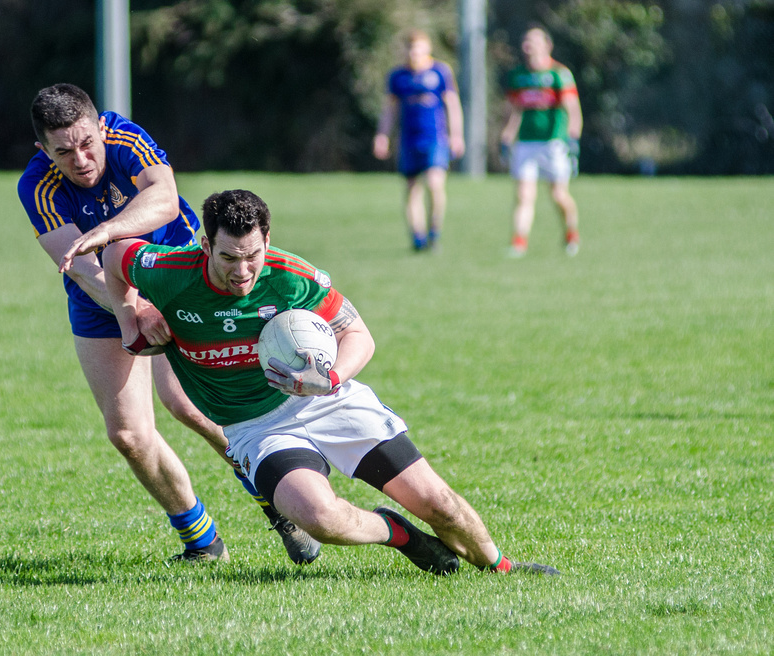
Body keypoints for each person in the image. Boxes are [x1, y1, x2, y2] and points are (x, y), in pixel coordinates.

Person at [103, 189, 559, 576]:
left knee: (439, 503)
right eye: (228, 258)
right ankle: (395, 532)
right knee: (320, 518)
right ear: (205, 245)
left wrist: (331, 378)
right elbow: (113, 254)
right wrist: (132, 311)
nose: (242, 272)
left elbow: (358, 333)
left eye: (252, 257)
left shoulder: (290, 277)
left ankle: (501, 568)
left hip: (329, 401)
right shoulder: (168, 272)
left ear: (268, 241)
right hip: (257, 429)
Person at [16, 84, 319, 564]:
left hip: (177, 278)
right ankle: (201, 540)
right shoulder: (36, 186)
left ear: (100, 127)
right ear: (42, 151)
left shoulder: (126, 137)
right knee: (128, 436)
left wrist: (117, 239)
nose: (81, 159)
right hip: (101, 302)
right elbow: (78, 265)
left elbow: (164, 196)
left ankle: (279, 509)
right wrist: (132, 308)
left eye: (87, 142)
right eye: (63, 151)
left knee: (190, 408)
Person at [373, 30, 465, 253]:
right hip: (409, 140)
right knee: (412, 189)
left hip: (435, 138)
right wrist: (382, 135)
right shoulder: (398, 76)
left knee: (435, 184)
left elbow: (452, 104)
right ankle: (417, 237)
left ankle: (435, 233)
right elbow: (389, 109)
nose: (414, 53)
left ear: (428, 49)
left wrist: (457, 135)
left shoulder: (440, 72)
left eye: (419, 48)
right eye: (410, 48)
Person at [499, 25, 583, 257]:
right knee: (524, 195)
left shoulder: (559, 74)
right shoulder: (519, 75)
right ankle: (518, 242)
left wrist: (573, 137)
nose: (528, 47)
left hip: (554, 142)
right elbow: (514, 110)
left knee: (558, 195)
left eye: (533, 42)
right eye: (526, 42)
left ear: (547, 45)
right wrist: (506, 136)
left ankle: (571, 233)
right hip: (526, 143)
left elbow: (572, 109)